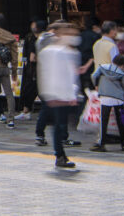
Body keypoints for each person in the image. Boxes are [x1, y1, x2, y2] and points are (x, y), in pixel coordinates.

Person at [38, 21, 81, 168]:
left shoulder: (58, 51)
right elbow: (62, 74)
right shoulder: (57, 52)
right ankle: (60, 155)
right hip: (58, 94)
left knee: (58, 124)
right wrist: (70, 94)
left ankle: (60, 154)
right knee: (59, 124)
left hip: (57, 93)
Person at [91, 54, 124, 152]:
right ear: (122, 65)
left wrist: (96, 85)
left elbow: (93, 76)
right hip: (119, 100)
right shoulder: (121, 73)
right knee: (122, 121)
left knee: (104, 122)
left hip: (105, 98)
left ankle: (102, 144)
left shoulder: (102, 68)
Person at [0, 13, 18, 128]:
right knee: (9, 94)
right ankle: (11, 119)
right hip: (4, 68)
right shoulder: (9, 36)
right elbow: (15, 57)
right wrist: (14, 72)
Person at [17, 20, 46, 120]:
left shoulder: (42, 39)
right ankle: (26, 110)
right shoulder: (30, 37)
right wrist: (25, 62)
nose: (32, 27)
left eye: (34, 25)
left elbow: (32, 57)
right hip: (32, 69)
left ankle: (29, 111)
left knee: (35, 90)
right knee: (30, 90)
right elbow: (26, 52)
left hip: (39, 69)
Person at [78, 17, 101, 91]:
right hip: (91, 67)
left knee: (84, 89)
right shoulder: (96, 36)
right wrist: (87, 66)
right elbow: (95, 53)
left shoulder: (79, 36)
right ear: (95, 26)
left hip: (80, 66)